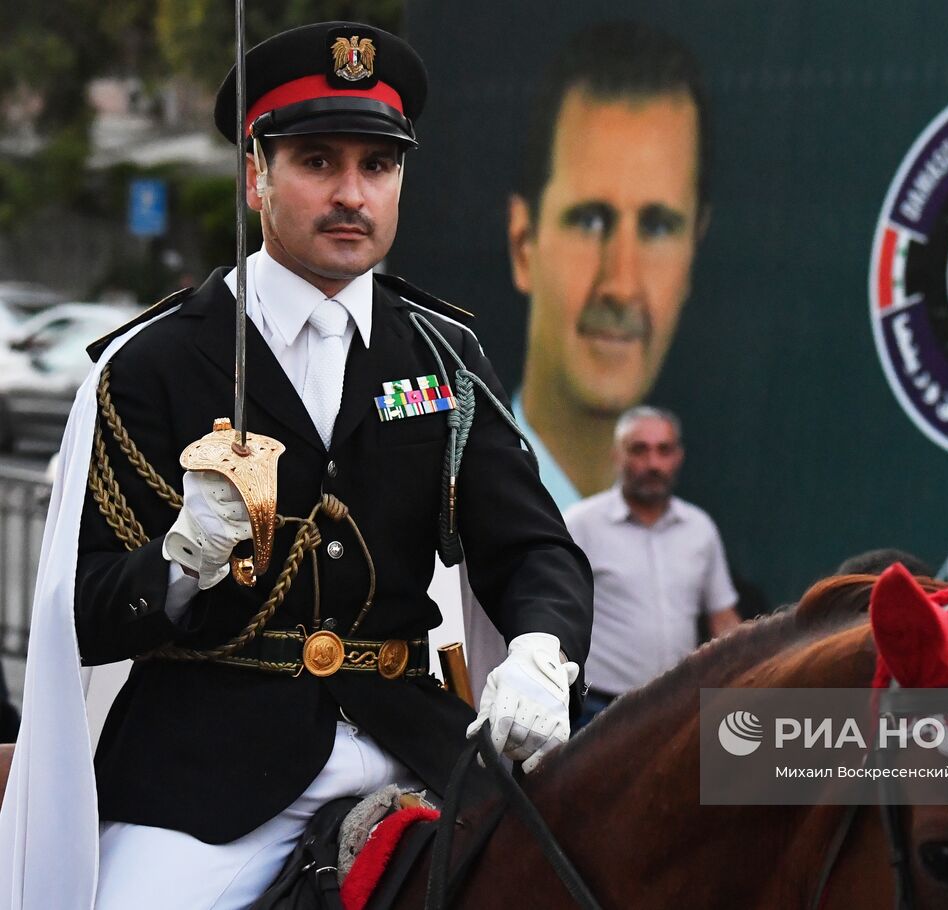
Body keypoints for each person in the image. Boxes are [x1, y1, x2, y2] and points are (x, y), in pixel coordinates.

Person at [0, 22, 592, 909]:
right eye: (318, 161)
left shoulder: (441, 356)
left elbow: (533, 548)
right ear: (256, 175)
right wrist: (176, 564)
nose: (353, 193)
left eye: (379, 166)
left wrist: (544, 652)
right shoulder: (154, 362)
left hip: (411, 744)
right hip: (207, 777)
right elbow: (76, 612)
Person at [445, 19, 711, 704]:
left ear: (693, 254)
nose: (620, 284)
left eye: (656, 227)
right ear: (523, 240)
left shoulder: (701, 537)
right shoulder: (455, 490)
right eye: (590, 220)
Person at [564, 406, 739, 725]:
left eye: (664, 450)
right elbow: (557, 609)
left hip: (679, 704)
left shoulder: (699, 528)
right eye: (639, 450)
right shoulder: (581, 524)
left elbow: (722, 617)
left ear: (679, 457)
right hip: (597, 709)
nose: (653, 464)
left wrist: (751, 672)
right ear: (617, 455)